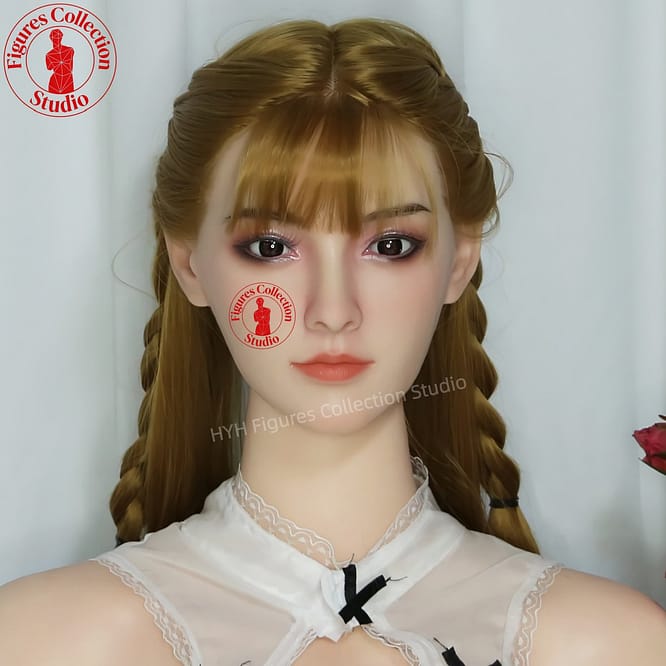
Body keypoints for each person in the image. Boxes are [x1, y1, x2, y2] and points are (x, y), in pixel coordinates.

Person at [1, 17, 665, 665]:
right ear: (190, 264)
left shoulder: (610, 644)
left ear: (459, 262)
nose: (333, 311)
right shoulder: (41, 641)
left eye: (391, 246)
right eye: (270, 247)